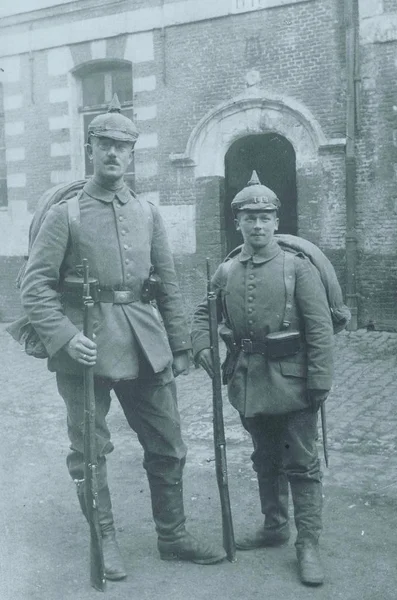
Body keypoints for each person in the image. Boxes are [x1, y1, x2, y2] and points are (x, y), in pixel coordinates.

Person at [20, 95, 225, 581]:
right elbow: (34, 286)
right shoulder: (65, 215)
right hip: (85, 345)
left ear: (132, 154)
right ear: (90, 149)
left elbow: (169, 283)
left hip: (144, 340)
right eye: (105, 145)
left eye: (123, 147)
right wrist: (66, 338)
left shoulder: (148, 213)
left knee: (169, 442)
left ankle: (173, 536)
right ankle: (104, 539)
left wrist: (178, 347)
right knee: (90, 450)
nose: (114, 154)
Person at [191, 172, 334, 586]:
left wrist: (319, 381)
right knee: (264, 458)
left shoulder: (297, 268)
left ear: (276, 221)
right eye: (249, 217)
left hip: (294, 382)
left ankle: (308, 544)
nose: (257, 225)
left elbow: (320, 329)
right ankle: (274, 527)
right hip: (249, 381)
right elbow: (204, 312)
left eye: (265, 216)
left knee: (302, 464)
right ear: (238, 222)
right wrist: (203, 346)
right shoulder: (227, 269)